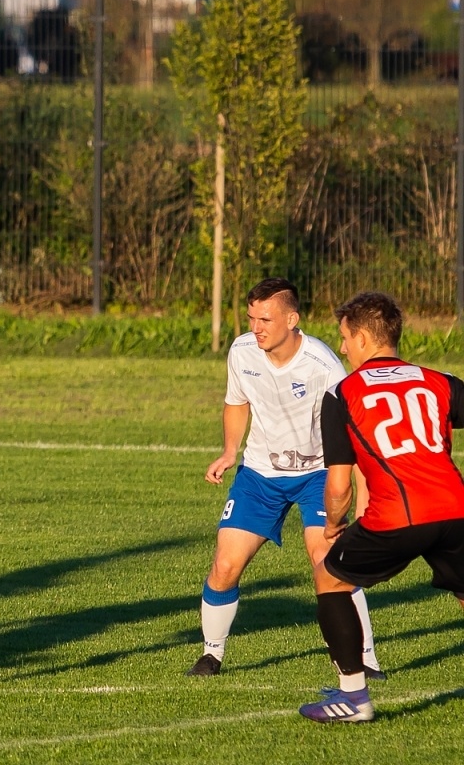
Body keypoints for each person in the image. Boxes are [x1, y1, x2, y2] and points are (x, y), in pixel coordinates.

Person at [188, 278, 382, 679]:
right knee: (225, 564)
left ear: (292, 319)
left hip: (317, 474)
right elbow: (236, 402)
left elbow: (350, 433)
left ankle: (362, 659)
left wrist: (361, 492)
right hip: (260, 474)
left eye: (265, 319)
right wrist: (229, 451)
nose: (256, 327)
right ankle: (211, 655)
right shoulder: (242, 351)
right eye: (251, 318)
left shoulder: (323, 365)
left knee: (328, 563)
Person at [303, 291, 464, 723]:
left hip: (397, 515)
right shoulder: (439, 380)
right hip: (455, 510)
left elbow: (339, 486)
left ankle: (354, 697)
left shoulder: (343, 392)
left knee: (328, 575)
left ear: (361, 338)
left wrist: (334, 524)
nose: (341, 348)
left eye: (343, 337)